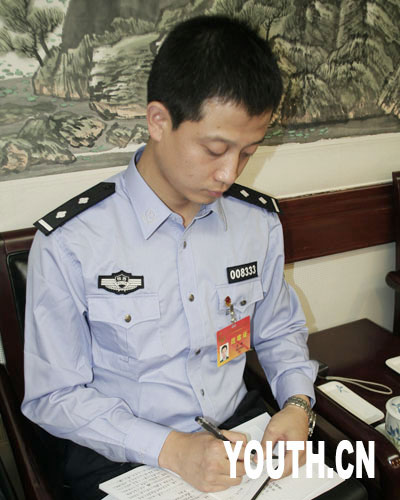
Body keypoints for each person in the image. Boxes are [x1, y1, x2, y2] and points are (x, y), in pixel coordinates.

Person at [22, 14, 318, 500]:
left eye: (248, 153)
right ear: (158, 121)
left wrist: (297, 404)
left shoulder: (256, 224)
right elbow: (54, 396)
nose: (229, 174)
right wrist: (172, 450)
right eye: (215, 149)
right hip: (123, 453)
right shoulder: (72, 241)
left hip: (236, 430)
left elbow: (277, 330)